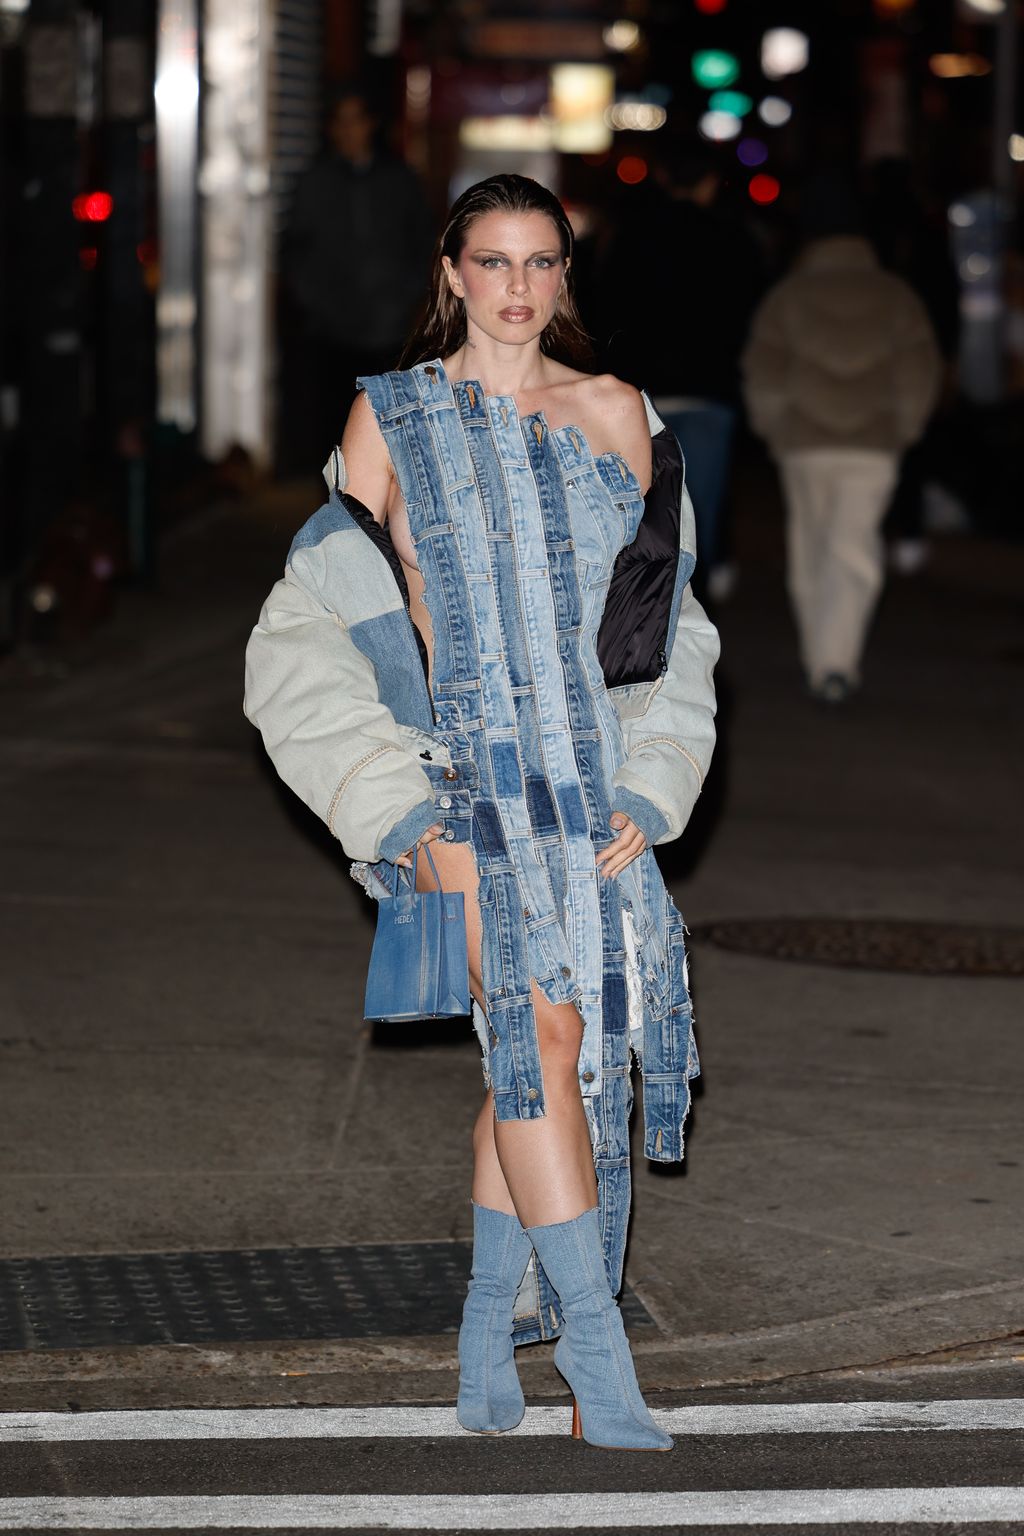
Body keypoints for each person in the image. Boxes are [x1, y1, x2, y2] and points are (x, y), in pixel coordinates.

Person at [245, 174, 719, 1450]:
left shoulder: (620, 415)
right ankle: (596, 1357)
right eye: (492, 261)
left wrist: (650, 780)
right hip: (456, 794)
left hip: (587, 796)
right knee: (544, 1041)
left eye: (541, 262)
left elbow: (669, 631)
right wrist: (397, 813)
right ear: (450, 272)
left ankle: (480, 1335)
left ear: (567, 276)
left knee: (547, 1054)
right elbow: (309, 634)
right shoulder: (389, 416)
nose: (517, 287)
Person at [742, 173, 942, 703]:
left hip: (804, 440)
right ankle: (837, 661)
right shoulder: (896, 295)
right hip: (874, 442)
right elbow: (920, 369)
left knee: (810, 547)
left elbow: (763, 369)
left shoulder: (788, 295)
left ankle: (821, 656)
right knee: (854, 551)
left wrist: (774, 424)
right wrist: (904, 425)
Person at [594, 142, 763, 603]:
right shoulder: (733, 239)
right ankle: (692, 603)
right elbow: (750, 317)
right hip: (709, 390)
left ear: (665, 179)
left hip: (642, 394)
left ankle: (644, 609)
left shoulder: (633, 236)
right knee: (699, 510)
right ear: (710, 182)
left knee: (644, 511)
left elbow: (606, 310)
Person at [276, 83, 434, 476]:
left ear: (371, 125)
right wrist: (314, 305)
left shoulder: (399, 180)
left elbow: (423, 245)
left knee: (390, 433)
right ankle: (337, 517)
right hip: (330, 335)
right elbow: (295, 251)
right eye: (340, 122)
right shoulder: (315, 182)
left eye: (356, 120)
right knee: (332, 432)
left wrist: (405, 300)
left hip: (389, 330)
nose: (349, 130)